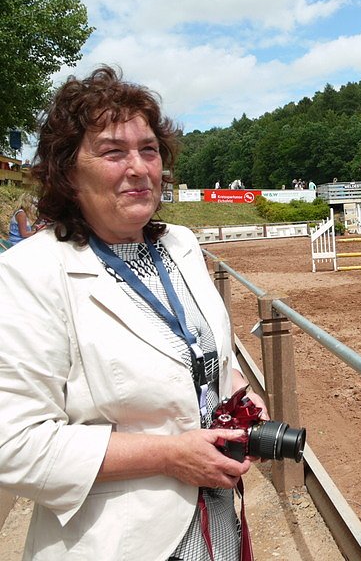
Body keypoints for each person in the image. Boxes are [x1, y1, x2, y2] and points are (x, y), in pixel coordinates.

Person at [0, 66, 268, 561]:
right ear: (67, 172)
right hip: (117, 540)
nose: (139, 167)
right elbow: (13, 444)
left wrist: (243, 407)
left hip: (216, 525)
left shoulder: (181, 246)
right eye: (112, 151)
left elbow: (207, 361)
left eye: (149, 150)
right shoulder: (29, 272)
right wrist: (168, 455)